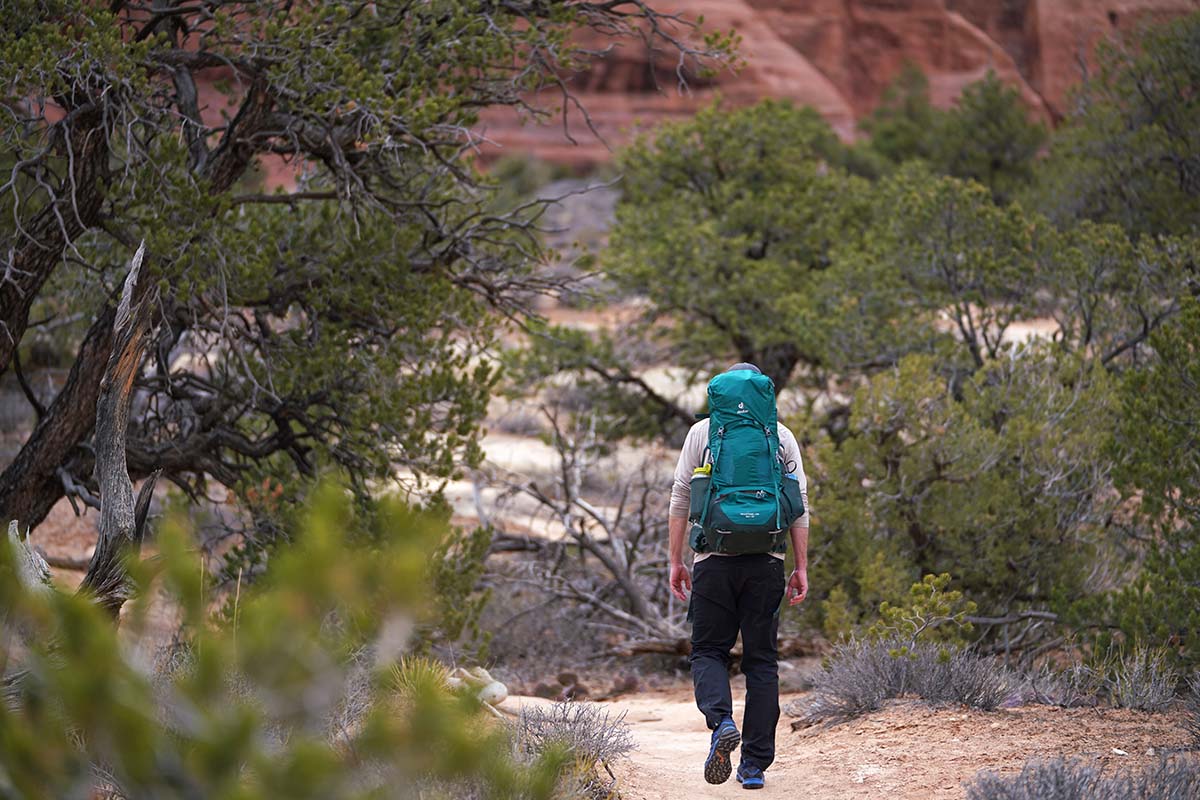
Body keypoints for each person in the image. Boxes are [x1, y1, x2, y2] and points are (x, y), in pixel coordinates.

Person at [667, 362, 810, 791]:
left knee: (709, 650)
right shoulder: (779, 435)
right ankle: (753, 766)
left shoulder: (704, 433)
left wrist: (676, 559)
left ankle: (721, 722)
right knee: (761, 662)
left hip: (713, 560)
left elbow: (680, 495)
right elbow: (799, 504)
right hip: (766, 560)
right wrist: (800, 566)